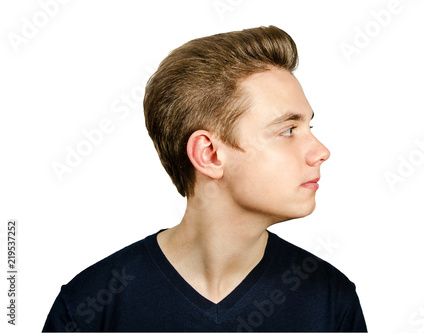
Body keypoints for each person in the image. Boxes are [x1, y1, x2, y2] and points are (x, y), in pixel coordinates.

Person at [42, 25, 367, 332]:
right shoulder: (90, 307)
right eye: (288, 130)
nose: (320, 151)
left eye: (310, 127)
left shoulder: (330, 301)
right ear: (209, 154)